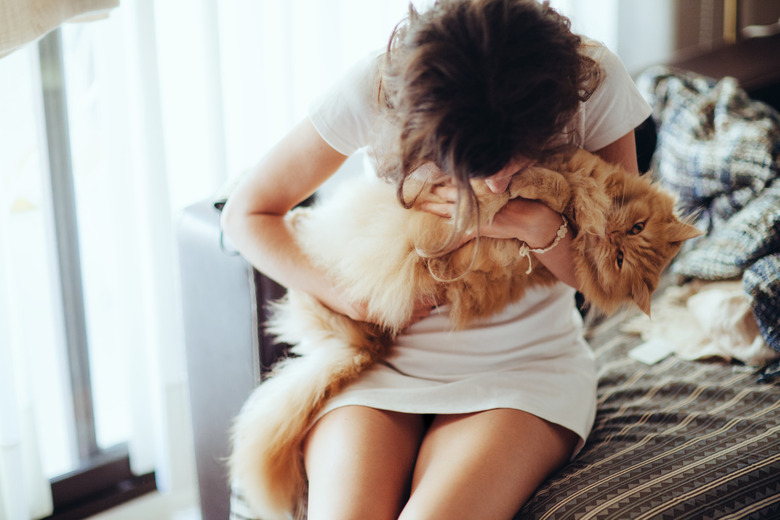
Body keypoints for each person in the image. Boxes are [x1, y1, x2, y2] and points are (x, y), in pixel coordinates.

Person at [221, 1, 652, 518]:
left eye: (514, 159)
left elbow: (625, 276)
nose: (492, 185)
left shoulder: (592, 81)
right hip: (379, 364)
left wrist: (531, 225)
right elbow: (246, 214)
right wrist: (355, 299)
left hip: (523, 371)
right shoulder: (377, 88)